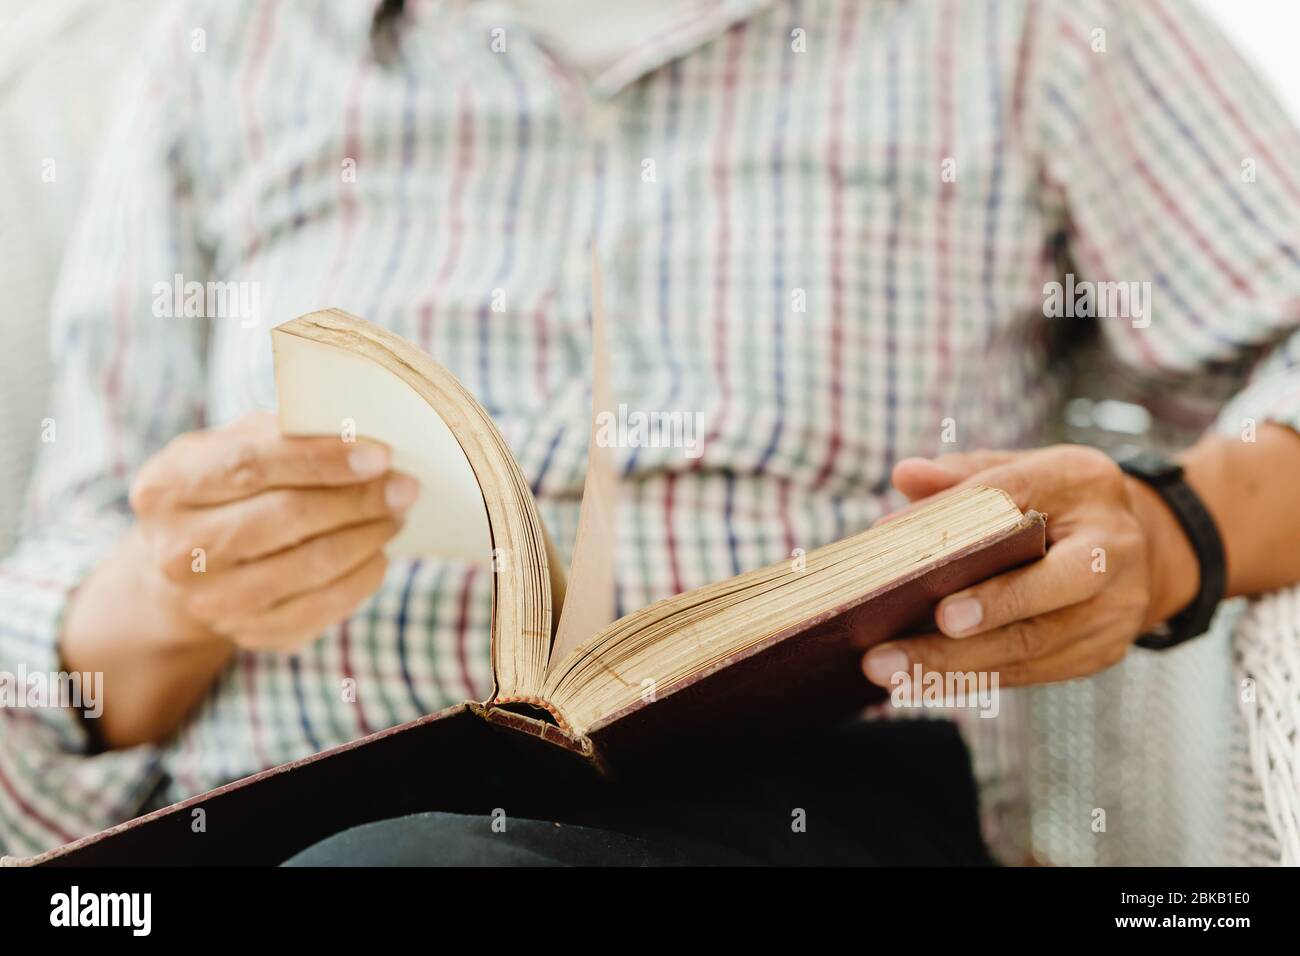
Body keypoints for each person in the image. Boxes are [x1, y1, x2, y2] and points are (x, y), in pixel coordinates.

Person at [3, 0, 1300, 862]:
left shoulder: (1024, 26)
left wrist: (1177, 533)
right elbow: (75, 577)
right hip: (273, 807)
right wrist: (173, 592)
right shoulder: (226, 45)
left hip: (796, 810)